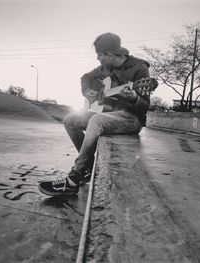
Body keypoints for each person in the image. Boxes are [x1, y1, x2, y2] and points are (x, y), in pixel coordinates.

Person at [38, 32, 151, 196]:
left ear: (110, 55)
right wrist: (87, 91)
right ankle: (88, 167)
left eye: (100, 55)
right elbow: (86, 77)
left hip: (131, 119)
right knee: (70, 120)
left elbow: (144, 106)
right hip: (108, 113)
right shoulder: (106, 67)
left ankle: (73, 180)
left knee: (97, 120)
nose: (98, 59)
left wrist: (134, 98)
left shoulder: (139, 68)